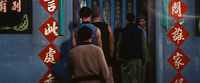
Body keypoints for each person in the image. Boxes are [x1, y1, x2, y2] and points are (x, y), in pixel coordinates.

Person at [116, 13, 151, 83]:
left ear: (126, 21)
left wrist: (118, 58)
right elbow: (144, 46)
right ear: (134, 21)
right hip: (138, 60)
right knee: (137, 79)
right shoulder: (139, 31)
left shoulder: (122, 32)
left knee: (126, 79)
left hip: (126, 60)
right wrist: (145, 61)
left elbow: (118, 46)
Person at [92, 7, 114, 76]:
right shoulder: (107, 27)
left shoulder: (89, 28)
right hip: (106, 57)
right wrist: (111, 56)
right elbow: (111, 43)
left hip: (93, 59)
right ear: (100, 15)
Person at [137, 14, 148, 83]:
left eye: (144, 20)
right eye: (141, 21)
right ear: (138, 23)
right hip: (142, 55)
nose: (143, 22)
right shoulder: (138, 31)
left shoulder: (148, 29)